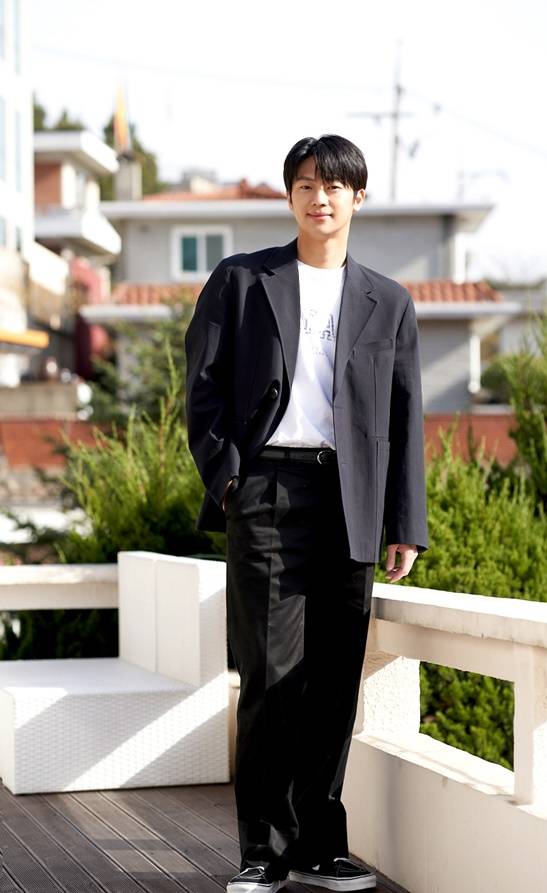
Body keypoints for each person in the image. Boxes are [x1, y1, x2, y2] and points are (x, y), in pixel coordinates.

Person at [184, 134, 428, 893]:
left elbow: (405, 417)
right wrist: (231, 479)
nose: (320, 198)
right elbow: (202, 387)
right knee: (269, 675)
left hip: (351, 501)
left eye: (334, 186)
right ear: (290, 196)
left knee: (333, 680)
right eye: (305, 185)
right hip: (267, 492)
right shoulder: (242, 280)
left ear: (358, 197)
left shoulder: (389, 301)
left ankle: (321, 847)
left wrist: (405, 523)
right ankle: (263, 851)